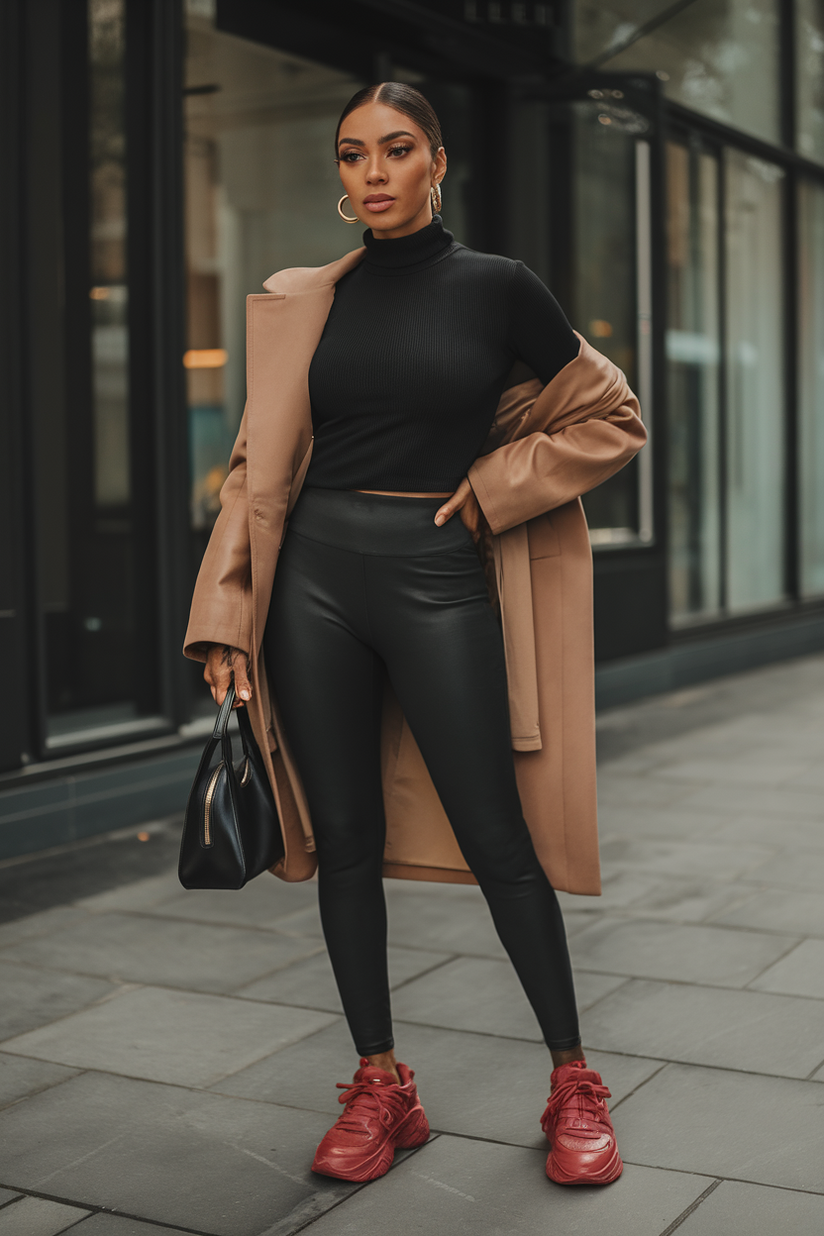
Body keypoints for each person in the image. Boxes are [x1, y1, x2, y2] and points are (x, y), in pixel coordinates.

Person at [184, 82, 646, 1188]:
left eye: (395, 150)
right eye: (351, 156)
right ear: (339, 177)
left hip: (438, 573)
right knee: (342, 837)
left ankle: (573, 1081)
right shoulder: (303, 301)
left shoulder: (497, 289)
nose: (372, 173)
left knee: (497, 835)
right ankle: (381, 1083)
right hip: (311, 584)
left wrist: (494, 488)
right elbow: (255, 470)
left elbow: (610, 414)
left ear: (436, 160)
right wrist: (223, 618)